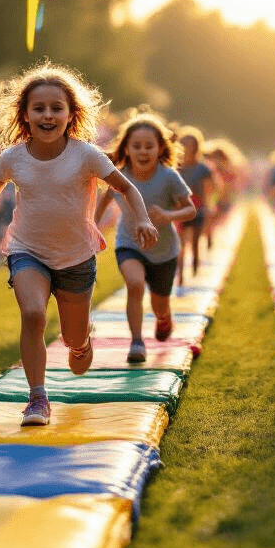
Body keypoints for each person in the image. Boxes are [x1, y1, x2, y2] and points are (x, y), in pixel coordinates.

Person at [0, 65, 157, 426]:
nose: (48, 115)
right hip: (28, 251)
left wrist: (144, 218)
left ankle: (82, 339)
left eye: (57, 107)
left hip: (75, 257)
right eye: (39, 108)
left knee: (75, 348)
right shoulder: (13, 157)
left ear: (71, 114)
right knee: (33, 314)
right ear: (24, 114)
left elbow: (127, 187)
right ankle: (37, 398)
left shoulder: (86, 155)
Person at [94, 113, 195, 364]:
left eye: (149, 146)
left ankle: (163, 317)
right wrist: (92, 229)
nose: (143, 151)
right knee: (135, 285)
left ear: (160, 148)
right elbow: (103, 201)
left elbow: (191, 209)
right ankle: (137, 341)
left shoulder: (169, 176)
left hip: (164, 251)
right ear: (126, 148)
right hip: (129, 244)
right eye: (136, 146)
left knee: (160, 302)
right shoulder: (118, 176)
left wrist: (168, 214)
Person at [175, 125, 215, 286]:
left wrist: (207, 208)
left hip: (198, 208)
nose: (186, 148)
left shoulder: (202, 169)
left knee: (196, 240)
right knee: (181, 243)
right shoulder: (176, 167)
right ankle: (180, 274)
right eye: (183, 144)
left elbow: (208, 189)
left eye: (189, 145)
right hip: (179, 209)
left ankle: (196, 263)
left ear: (195, 147)